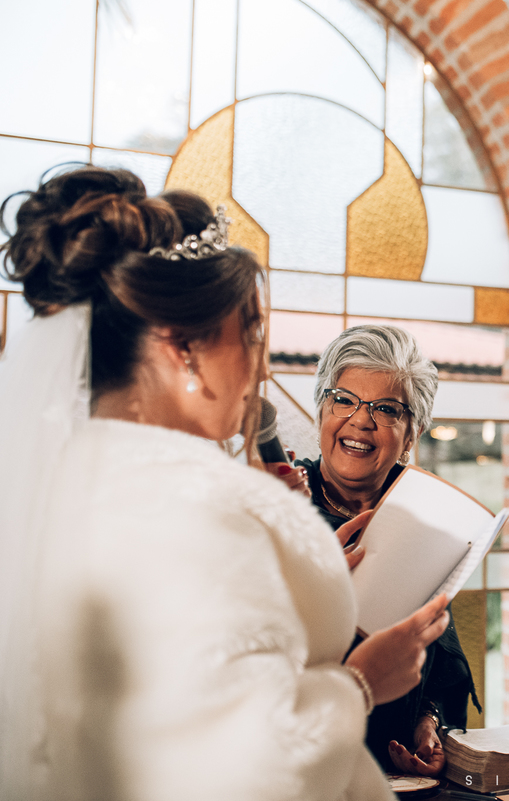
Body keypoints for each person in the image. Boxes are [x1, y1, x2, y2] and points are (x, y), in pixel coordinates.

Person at [0, 166, 449, 801]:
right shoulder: (203, 509)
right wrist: (361, 684)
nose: (261, 366)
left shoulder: (53, 485)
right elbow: (254, 767)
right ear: (184, 348)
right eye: (253, 331)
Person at [289, 324, 480, 776]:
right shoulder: (279, 505)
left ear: (411, 436)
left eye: (387, 409)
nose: (361, 420)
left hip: (396, 776)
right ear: (321, 411)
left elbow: (436, 665)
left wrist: (428, 723)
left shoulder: (425, 522)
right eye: (344, 399)